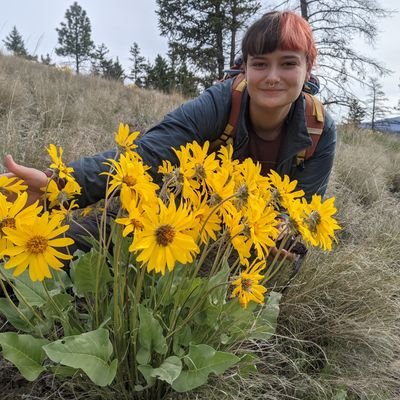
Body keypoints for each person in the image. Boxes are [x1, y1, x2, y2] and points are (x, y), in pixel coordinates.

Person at [2, 10, 336, 257]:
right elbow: (145, 157)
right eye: (260, 63)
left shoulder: (318, 129)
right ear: (245, 67)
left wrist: (275, 232)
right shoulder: (220, 102)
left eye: (288, 63)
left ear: (308, 67)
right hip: (180, 213)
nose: (273, 76)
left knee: (290, 254)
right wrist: (57, 183)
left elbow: (301, 210)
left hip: (249, 232)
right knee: (88, 243)